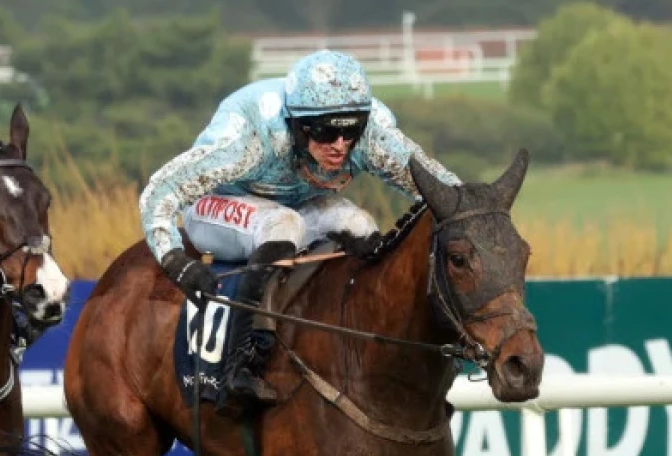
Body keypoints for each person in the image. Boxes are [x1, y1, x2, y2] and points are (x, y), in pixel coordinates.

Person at [139, 50, 462, 414]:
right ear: (297, 125)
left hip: (295, 206)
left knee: (362, 226)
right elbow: (160, 191)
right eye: (326, 132)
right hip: (213, 207)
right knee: (283, 225)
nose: (340, 145)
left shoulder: (373, 136)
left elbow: (446, 192)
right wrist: (173, 260)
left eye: (351, 130)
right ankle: (241, 362)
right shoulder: (251, 138)